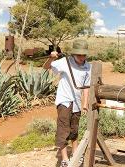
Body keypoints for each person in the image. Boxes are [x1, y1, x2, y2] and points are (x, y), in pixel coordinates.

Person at [43, 39, 91, 167]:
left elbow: (86, 87)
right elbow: (46, 67)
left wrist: (85, 103)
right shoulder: (65, 62)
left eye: (83, 54)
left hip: (76, 102)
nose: (82, 57)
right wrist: (51, 58)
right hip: (64, 100)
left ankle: (75, 154)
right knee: (64, 130)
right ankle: (64, 159)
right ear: (74, 53)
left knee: (74, 130)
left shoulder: (88, 67)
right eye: (79, 54)